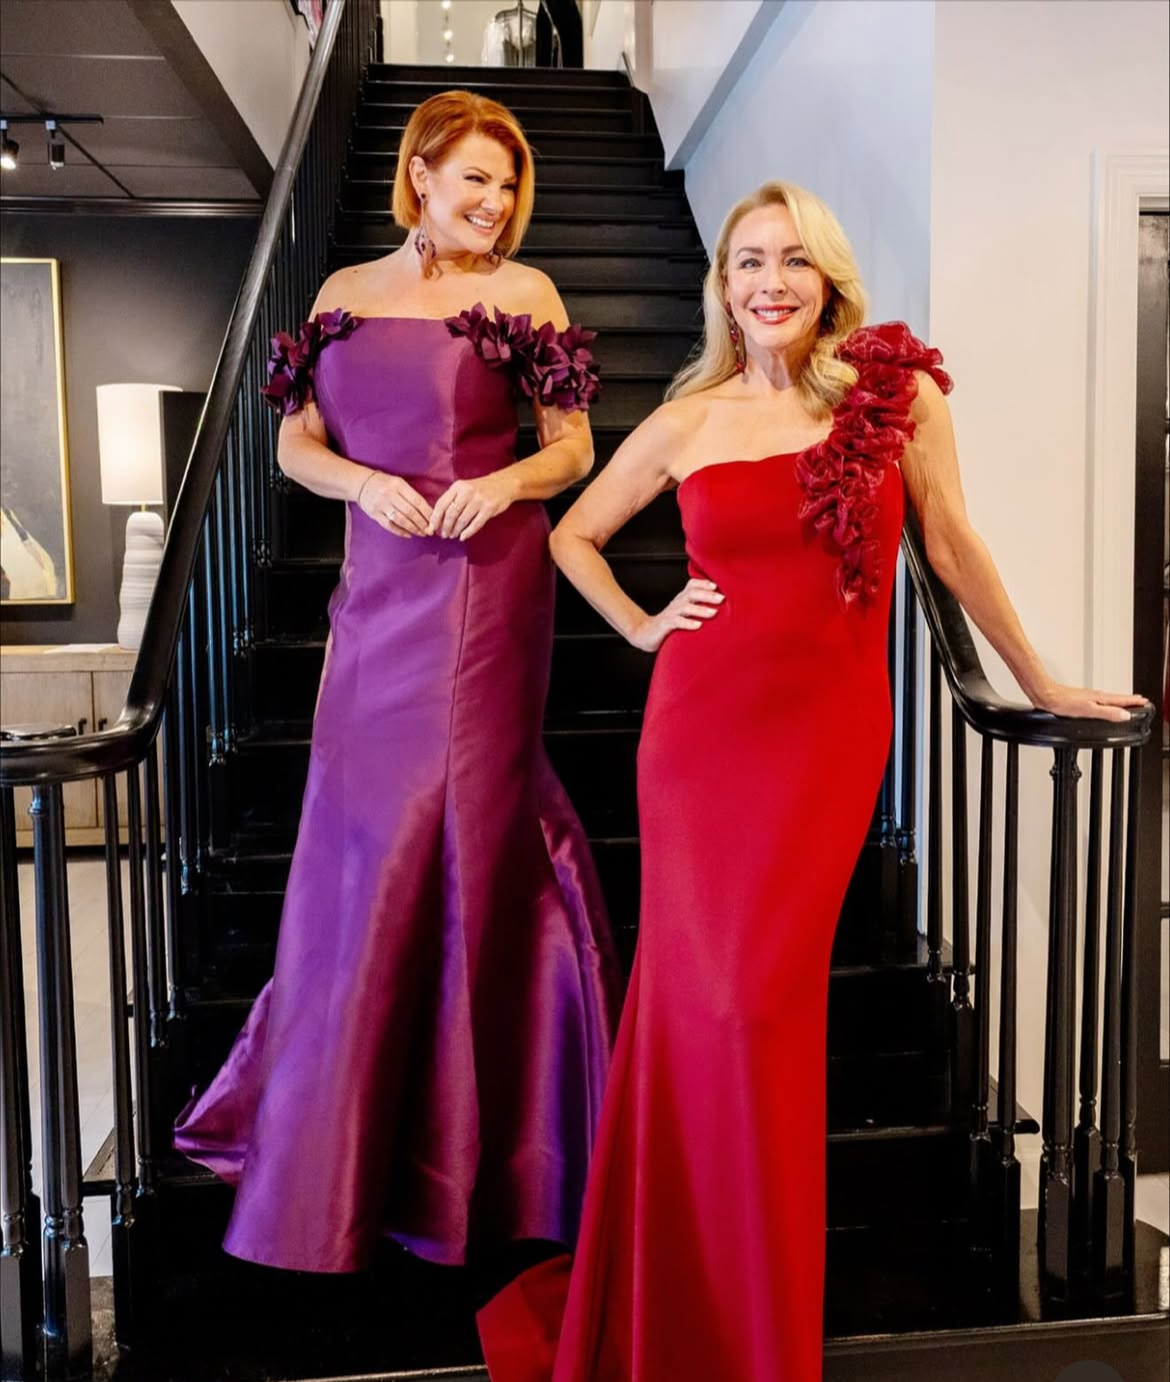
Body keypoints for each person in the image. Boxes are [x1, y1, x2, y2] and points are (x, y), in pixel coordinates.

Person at [476, 180, 1148, 1381]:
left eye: (790, 259)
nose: (768, 281)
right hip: (697, 738)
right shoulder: (689, 417)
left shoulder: (898, 397)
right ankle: (675, 1292)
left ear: (826, 276)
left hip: (827, 739)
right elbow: (573, 529)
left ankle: (744, 1313)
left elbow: (951, 545)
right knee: (697, 1007)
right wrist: (642, 624)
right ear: (721, 285)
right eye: (746, 261)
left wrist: (1038, 675)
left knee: (755, 1007)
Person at [174, 91, 622, 1276]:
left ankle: (470, 1148)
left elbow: (574, 442)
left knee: (456, 827)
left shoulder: (524, 296)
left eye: (508, 186)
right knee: (359, 841)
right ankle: (338, 1140)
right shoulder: (338, 298)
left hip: (487, 587)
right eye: (474, 180)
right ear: (420, 176)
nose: (494, 203)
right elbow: (293, 442)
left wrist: (517, 482)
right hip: (377, 592)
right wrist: (358, 487)